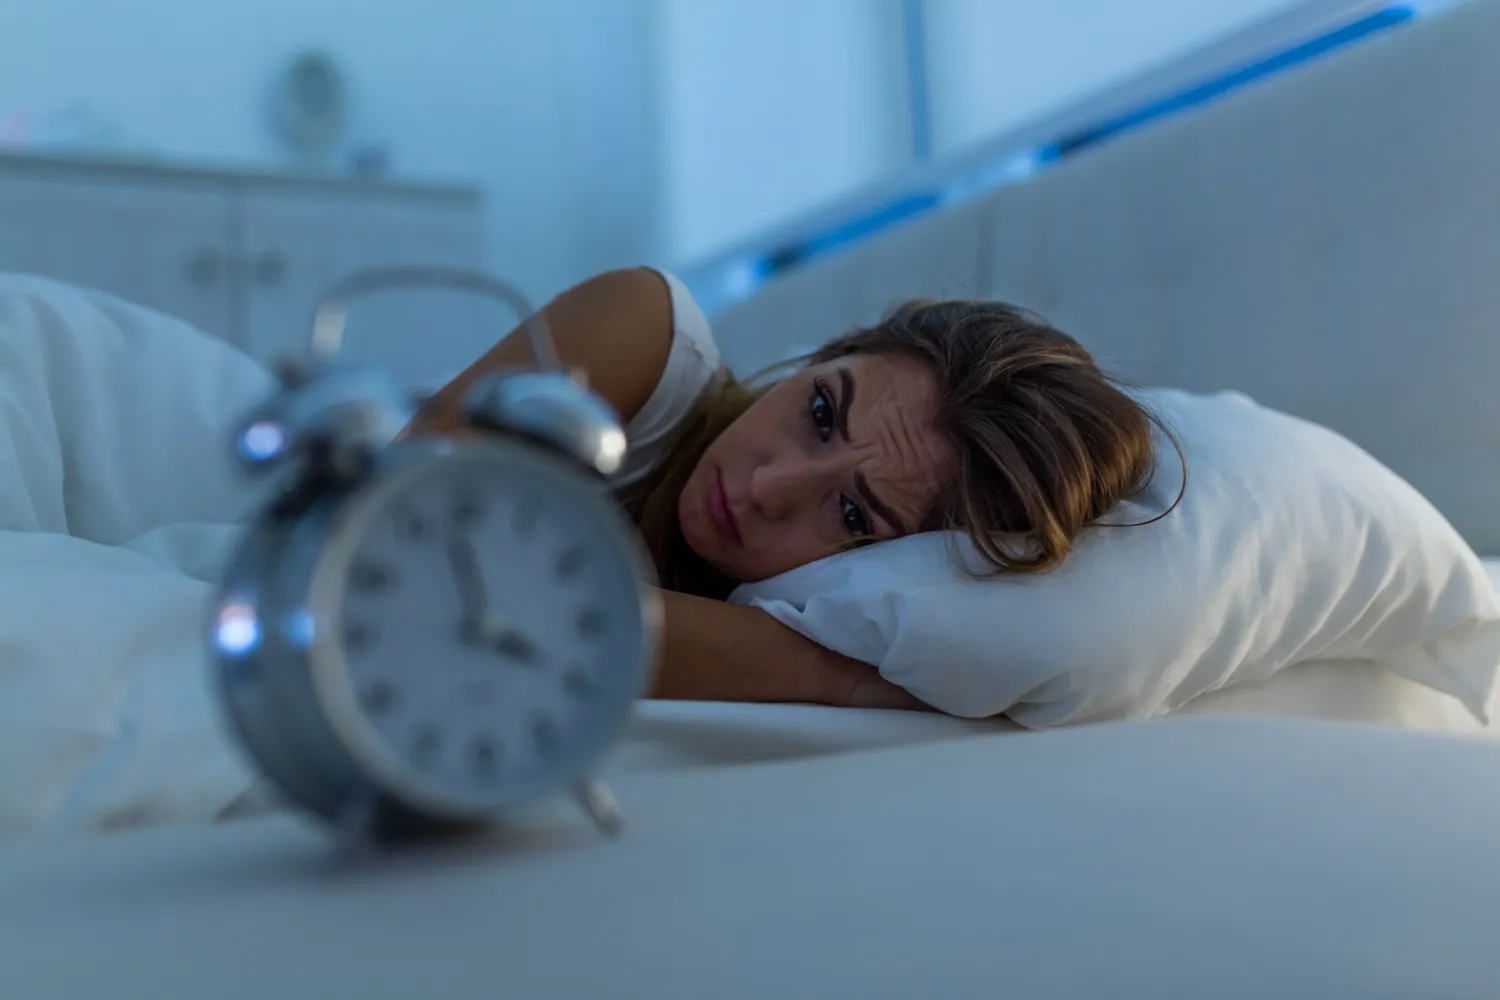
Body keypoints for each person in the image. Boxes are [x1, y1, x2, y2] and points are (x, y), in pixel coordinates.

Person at [412, 267, 1164, 713]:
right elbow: (381, 534)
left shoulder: (867, 617)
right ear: (828, 354)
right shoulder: (647, 336)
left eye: (849, 513)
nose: (768, 487)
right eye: (819, 412)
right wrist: (822, 672)